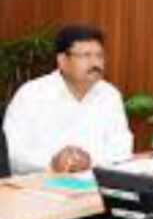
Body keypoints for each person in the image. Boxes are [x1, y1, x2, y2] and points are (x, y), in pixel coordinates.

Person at [3, 25, 133, 175]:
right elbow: (11, 151)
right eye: (86, 56)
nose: (95, 63)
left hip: (93, 182)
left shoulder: (109, 94)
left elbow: (122, 148)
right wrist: (52, 162)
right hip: (39, 182)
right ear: (62, 60)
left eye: (99, 56)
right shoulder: (31, 94)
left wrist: (89, 160)